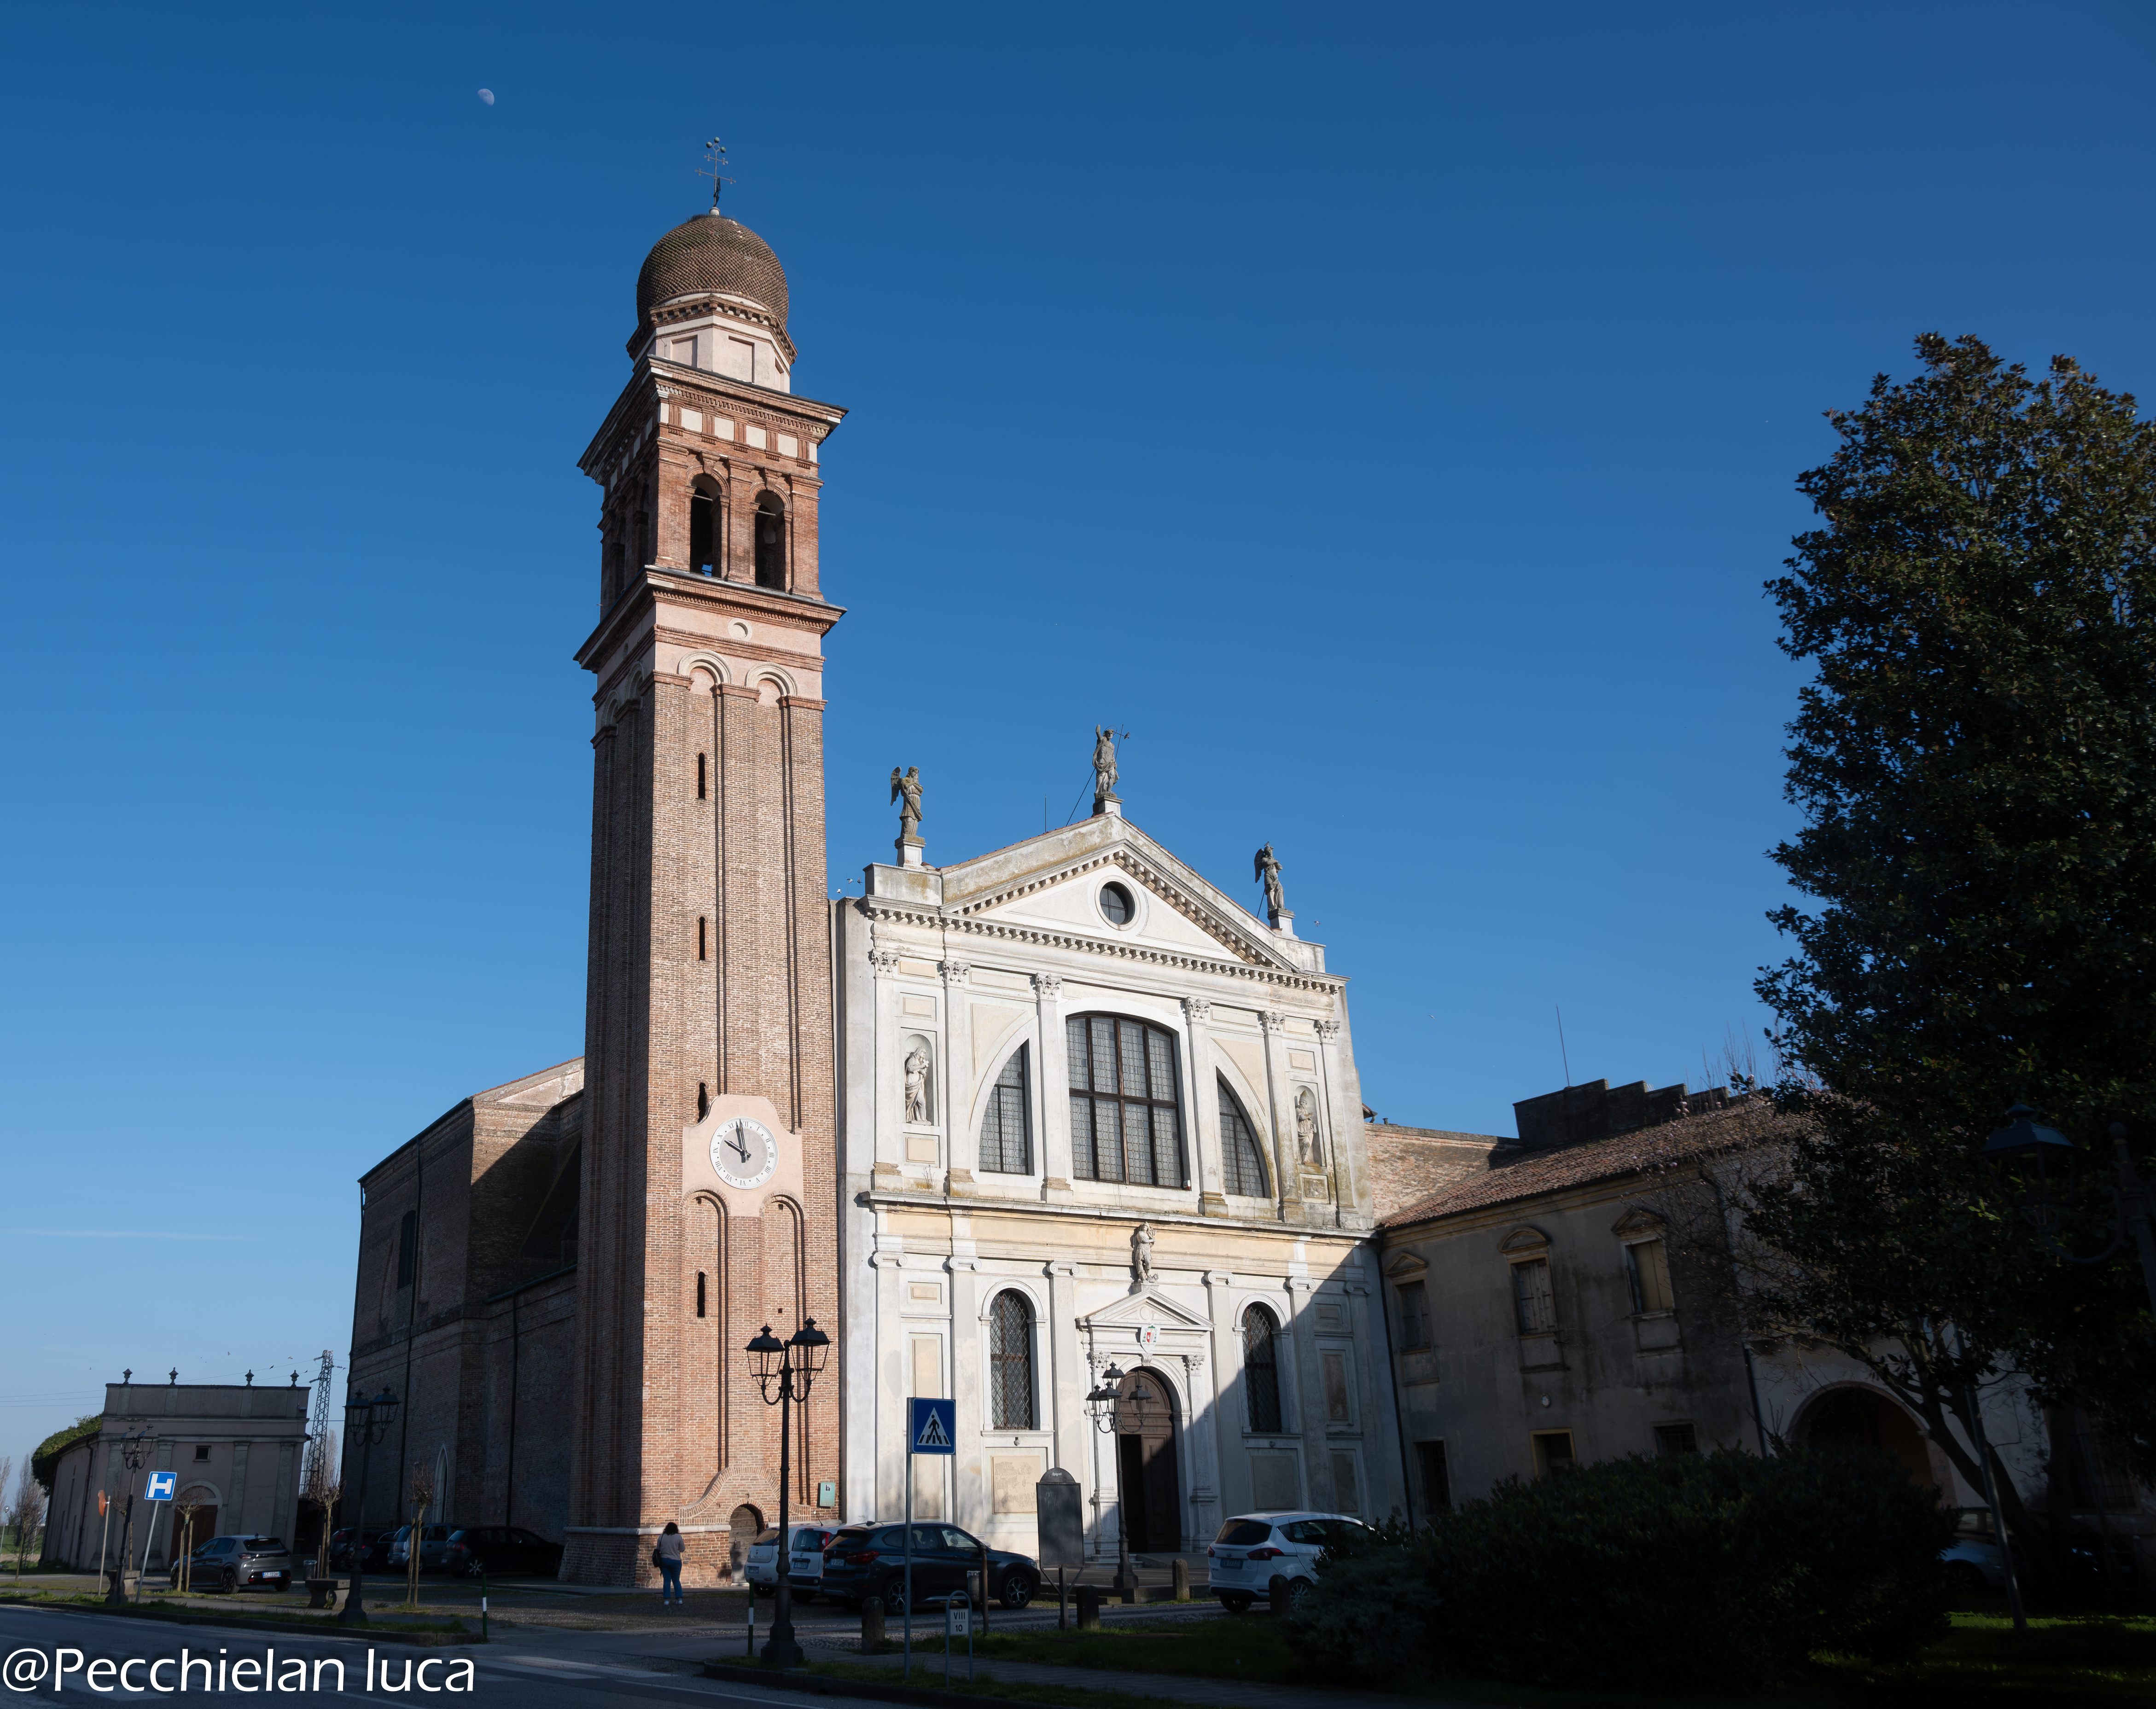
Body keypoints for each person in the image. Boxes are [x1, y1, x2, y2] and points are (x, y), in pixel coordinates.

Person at [656, 1521, 684, 1607]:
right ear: (676, 1529)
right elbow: (682, 1549)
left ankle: (667, 1600)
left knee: (667, 1581)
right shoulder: (678, 1537)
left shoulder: (662, 1537)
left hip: (664, 1561)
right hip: (676, 1561)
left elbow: (658, 1549)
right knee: (676, 1580)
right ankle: (679, 1599)